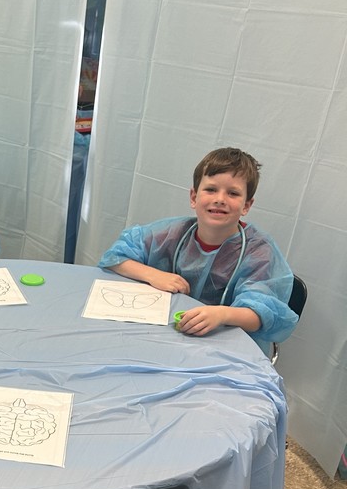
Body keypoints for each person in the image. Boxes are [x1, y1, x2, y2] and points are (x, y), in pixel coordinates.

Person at [98, 147, 298, 353]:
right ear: (194, 197)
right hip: (168, 337)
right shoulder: (172, 233)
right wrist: (154, 275)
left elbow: (261, 314)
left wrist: (222, 314)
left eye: (233, 193)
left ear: (246, 205)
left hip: (226, 345)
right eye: (211, 190)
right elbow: (116, 258)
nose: (220, 199)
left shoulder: (258, 252)